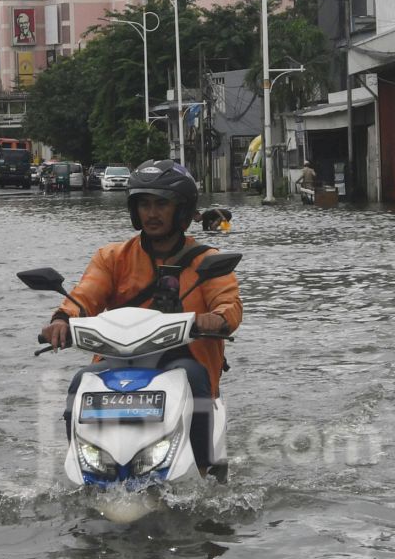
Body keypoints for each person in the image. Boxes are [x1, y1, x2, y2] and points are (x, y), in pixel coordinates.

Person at [39, 160, 242, 469]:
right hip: (121, 358)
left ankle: (205, 470)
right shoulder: (112, 257)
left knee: (195, 377)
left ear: (182, 210)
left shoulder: (206, 261)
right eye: (144, 204)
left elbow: (229, 303)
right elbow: (85, 295)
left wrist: (217, 318)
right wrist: (61, 320)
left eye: (162, 204)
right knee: (82, 380)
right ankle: (84, 470)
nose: (152, 213)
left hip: (183, 356)